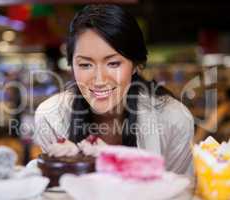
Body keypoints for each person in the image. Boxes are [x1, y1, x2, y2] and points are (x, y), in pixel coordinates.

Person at [34, 4, 194, 175]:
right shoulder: (51, 118)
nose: (99, 80)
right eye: (85, 65)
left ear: (135, 65)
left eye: (113, 63)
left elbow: (180, 190)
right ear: (71, 66)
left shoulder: (173, 119)